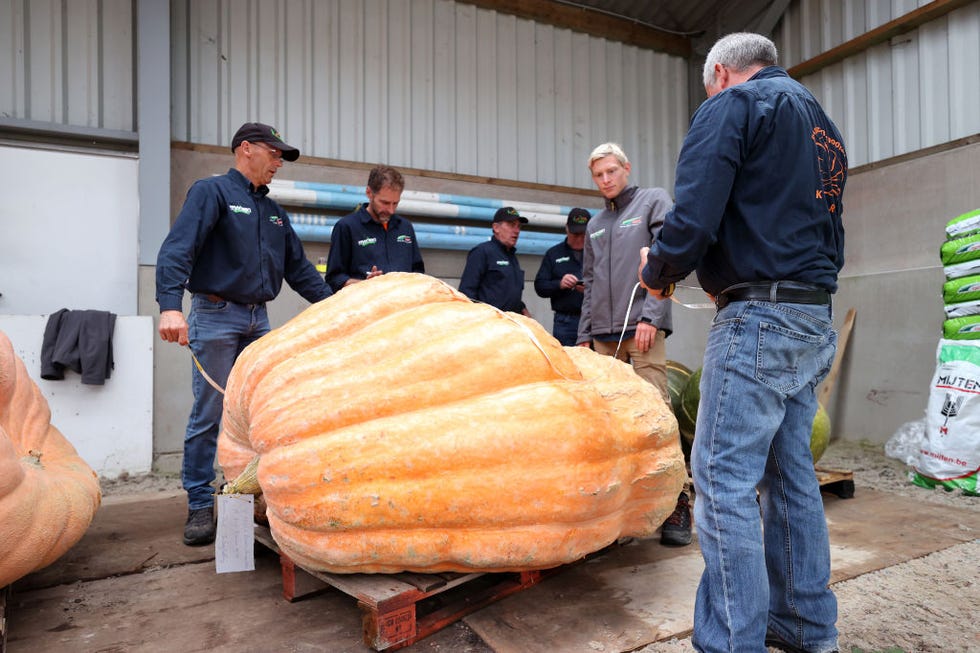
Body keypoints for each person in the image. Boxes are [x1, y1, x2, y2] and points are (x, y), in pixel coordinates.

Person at [638, 33, 846, 653]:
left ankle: (733, 641)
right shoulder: (822, 126)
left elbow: (695, 213)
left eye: (710, 89)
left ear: (722, 74)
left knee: (721, 477)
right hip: (812, 315)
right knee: (790, 476)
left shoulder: (735, 104)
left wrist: (660, 270)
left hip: (757, 316)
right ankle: (807, 628)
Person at [156, 122, 333, 547]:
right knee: (211, 410)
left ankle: (252, 495)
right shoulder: (211, 193)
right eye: (274, 154)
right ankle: (200, 500)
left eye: (280, 158)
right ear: (246, 149)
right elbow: (177, 249)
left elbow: (300, 270)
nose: (278, 163)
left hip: (258, 320)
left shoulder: (274, 212)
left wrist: (336, 307)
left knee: (262, 413)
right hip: (215, 315)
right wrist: (169, 307)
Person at [579, 142, 692, 548]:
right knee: (611, 424)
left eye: (611, 171)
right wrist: (583, 336)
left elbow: (666, 259)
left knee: (656, 418)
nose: (606, 179)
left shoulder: (652, 202)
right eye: (598, 175)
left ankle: (679, 504)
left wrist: (652, 316)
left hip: (641, 329)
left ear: (626, 168)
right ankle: (626, 512)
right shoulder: (594, 225)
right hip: (604, 340)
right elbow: (590, 284)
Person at [325, 165, 424, 291]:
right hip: (365, 307)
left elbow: (418, 273)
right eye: (385, 203)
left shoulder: (405, 227)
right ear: (369, 193)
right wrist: (366, 285)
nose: (391, 210)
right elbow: (334, 279)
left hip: (403, 307)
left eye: (395, 203)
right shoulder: (347, 227)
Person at [533, 208, 591, 346]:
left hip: (595, 320)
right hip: (566, 321)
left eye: (583, 234)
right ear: (567, 229)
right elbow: (540, 286)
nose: (579, 238)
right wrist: (560, 284)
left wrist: (591, 290)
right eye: (575, 234)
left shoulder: (598, 253)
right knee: (566, 362)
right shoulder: (554, 254)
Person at [459, 207, 530, 314]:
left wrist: (523, 309)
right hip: (489, 324)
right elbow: (467, 293)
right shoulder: (482, 252)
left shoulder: (511, 255)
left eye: (519, 226)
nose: (517, 231)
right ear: (496, 227)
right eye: (511, 225)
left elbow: (508, 292)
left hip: (510, 322)